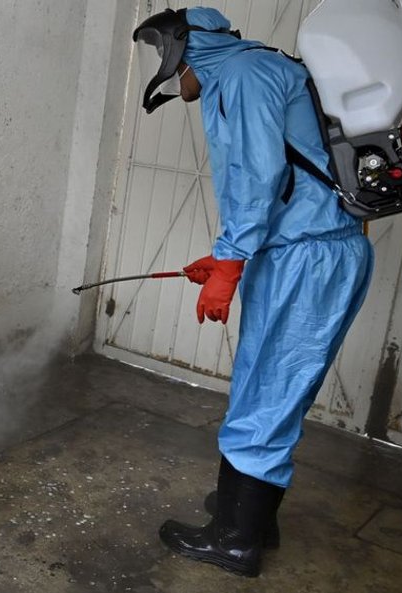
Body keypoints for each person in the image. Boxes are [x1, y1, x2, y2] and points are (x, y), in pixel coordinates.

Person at [132, 7, 373, 577]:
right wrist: (226, 256)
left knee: (267, 393)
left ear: (182, 46)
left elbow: (257, 177)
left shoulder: (239, 76)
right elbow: (289, 179)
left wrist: (231, 263)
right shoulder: (257, 68)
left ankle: (235, 540)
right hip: (306, 251)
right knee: (270, 387)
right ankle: (255, 516)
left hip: (306, 259)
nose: (170, 77)